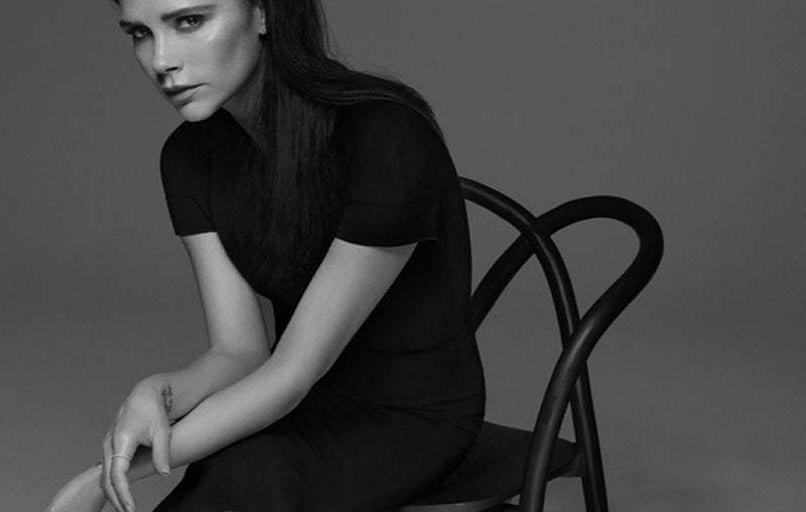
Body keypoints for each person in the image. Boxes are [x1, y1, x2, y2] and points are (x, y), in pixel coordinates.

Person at [43, 0, 485, 511]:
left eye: (190, 21)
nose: (162, 60)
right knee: (232, 469)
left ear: (263, 12)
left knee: (250, 474)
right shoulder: (189, 157)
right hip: (291, 400)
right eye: (140, 33)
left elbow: (292, 375)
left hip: (412, 419)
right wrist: (160, 392)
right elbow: (240, 353)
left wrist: (103, 478)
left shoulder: (386, 136)